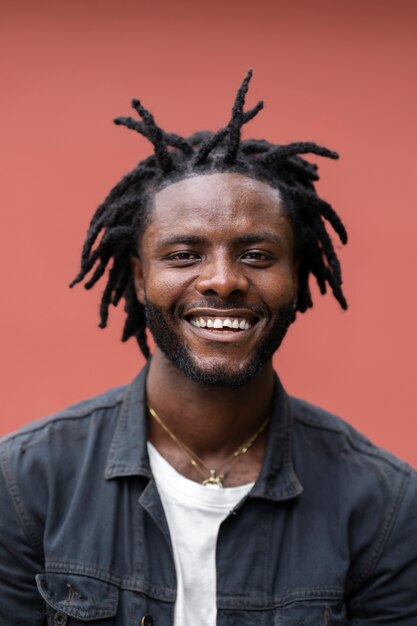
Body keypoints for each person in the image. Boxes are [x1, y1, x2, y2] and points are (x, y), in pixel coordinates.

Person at [0, 71, 416, 625]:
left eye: (257, 255)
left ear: (298, 275)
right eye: (183, 255)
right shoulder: (25, 484)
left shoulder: (383, 505)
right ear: (140, 278)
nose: (223, 280)